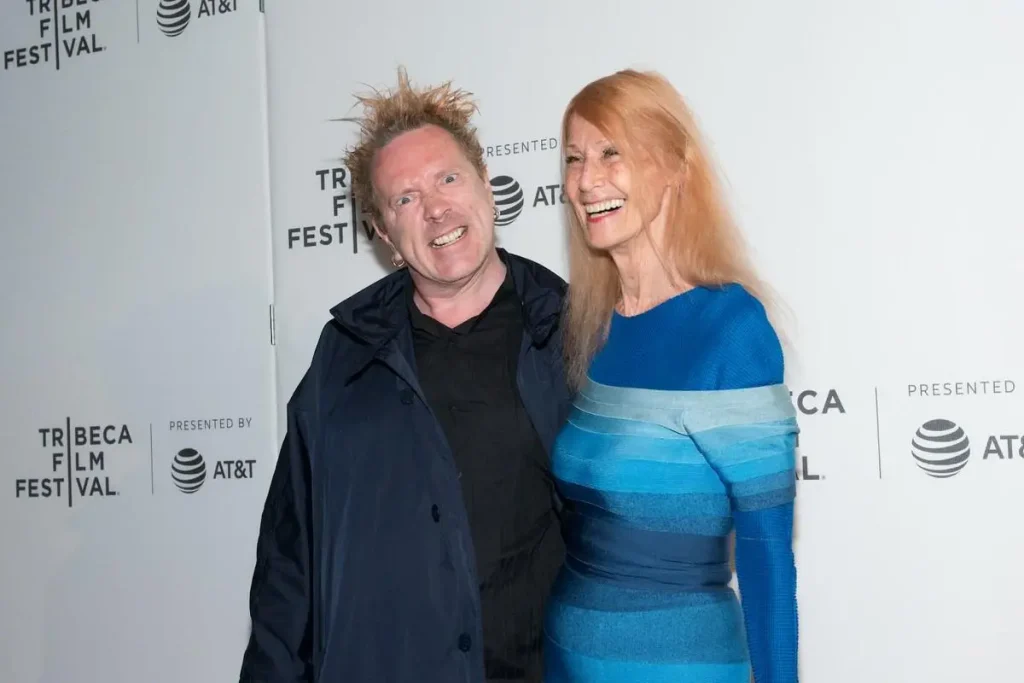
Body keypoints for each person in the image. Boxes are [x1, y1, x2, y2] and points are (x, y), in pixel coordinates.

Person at [238, 68, 569, 683]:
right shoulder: (344, 359)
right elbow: (290, 561)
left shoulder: (574, 334)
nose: (436, 207)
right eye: (405, 199)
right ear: (386, 236)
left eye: (447, 178)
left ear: (486, 188)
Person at [542, 69, 801, 682]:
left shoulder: (730, 329)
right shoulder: (591, 329)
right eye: (575, 158)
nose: (586, 179)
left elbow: (767, 559)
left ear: (675, 166)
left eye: (612, 153)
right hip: (566, 661)